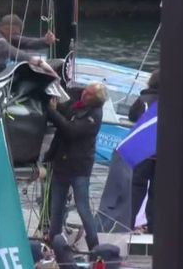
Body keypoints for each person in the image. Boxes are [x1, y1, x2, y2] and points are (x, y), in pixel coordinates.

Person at [44, 82, 107, 251]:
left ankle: (94, 247)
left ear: (93, 100)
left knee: (82, 208)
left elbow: (70, 130)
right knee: (56, 208)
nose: (83, 93)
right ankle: (54, 244)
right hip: (61, 164)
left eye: (87, 93)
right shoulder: (78, 103)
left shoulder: (94, 115)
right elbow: (66, 108)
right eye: (85, 90)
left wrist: (51, 111)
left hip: (79, 168)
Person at [0, 14, 56, 95]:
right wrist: (35, 61)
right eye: (15, 33)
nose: (16, 36)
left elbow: (22, 41)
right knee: (1, 62)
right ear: (7, 29)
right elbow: (9, 50)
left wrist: (44, 42)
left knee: (6, 62)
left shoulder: (0, 32)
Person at [128, 69, 159, 233]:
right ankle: (154, 227)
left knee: (136, 189)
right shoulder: (172, 100)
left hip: (143, 153)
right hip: (162, 154)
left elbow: (132, 115)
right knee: (156, 192)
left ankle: (128, 223)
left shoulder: (143, 100)